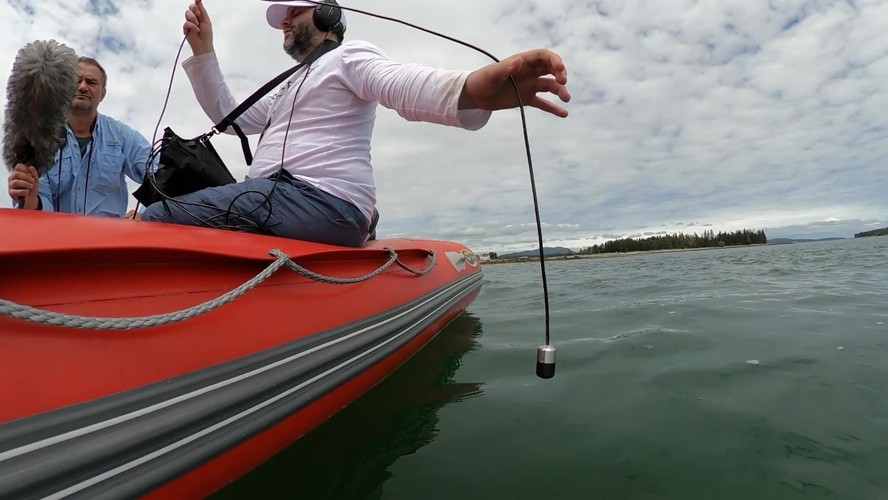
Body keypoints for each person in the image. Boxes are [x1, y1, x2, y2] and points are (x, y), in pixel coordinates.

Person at [139, 0, 571, 246]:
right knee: (199, 199)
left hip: (316, 199)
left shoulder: (350, 56)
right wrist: (204, 51)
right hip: (282, 198)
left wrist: (471, 88)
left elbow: (398, 83)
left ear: (328, 16)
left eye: (295, 11)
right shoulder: (290, 84)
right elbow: (230, 119)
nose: (285, 20)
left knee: (159, 216)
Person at [6, 57, 152, 217]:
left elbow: (164, 176)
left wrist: (145, 216)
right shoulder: (39, 138)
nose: (83, 87)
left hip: (111, 240)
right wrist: (29, 199)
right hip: (56, 238)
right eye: (76, 81)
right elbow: (36, 203)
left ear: (102, 94)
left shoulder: (123, 136)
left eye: (91, 82)